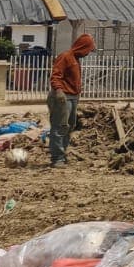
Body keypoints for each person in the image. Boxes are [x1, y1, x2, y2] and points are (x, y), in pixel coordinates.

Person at [47, 33, 95, 167]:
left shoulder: (75, 59)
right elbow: (56, 75)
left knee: (70, 126)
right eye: (88, 50)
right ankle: (57, 158)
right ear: (82, 47)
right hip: (63, 97)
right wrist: (59, 91)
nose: (88, 54)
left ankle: (62, 154)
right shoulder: (65, 57)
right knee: (60, 127)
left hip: (73, 97)